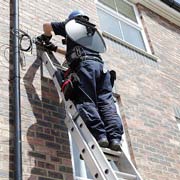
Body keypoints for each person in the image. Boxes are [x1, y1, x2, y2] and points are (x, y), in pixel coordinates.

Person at [37, 10, 124, 151]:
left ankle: (100, 136)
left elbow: (46, 26)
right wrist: (54, 48)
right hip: (102, 69)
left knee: (86, 100)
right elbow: (77, 53)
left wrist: (46, 38)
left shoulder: (71, 24)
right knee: (107, 104)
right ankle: (115, 139)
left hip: (86, 68)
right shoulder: (92, 31)